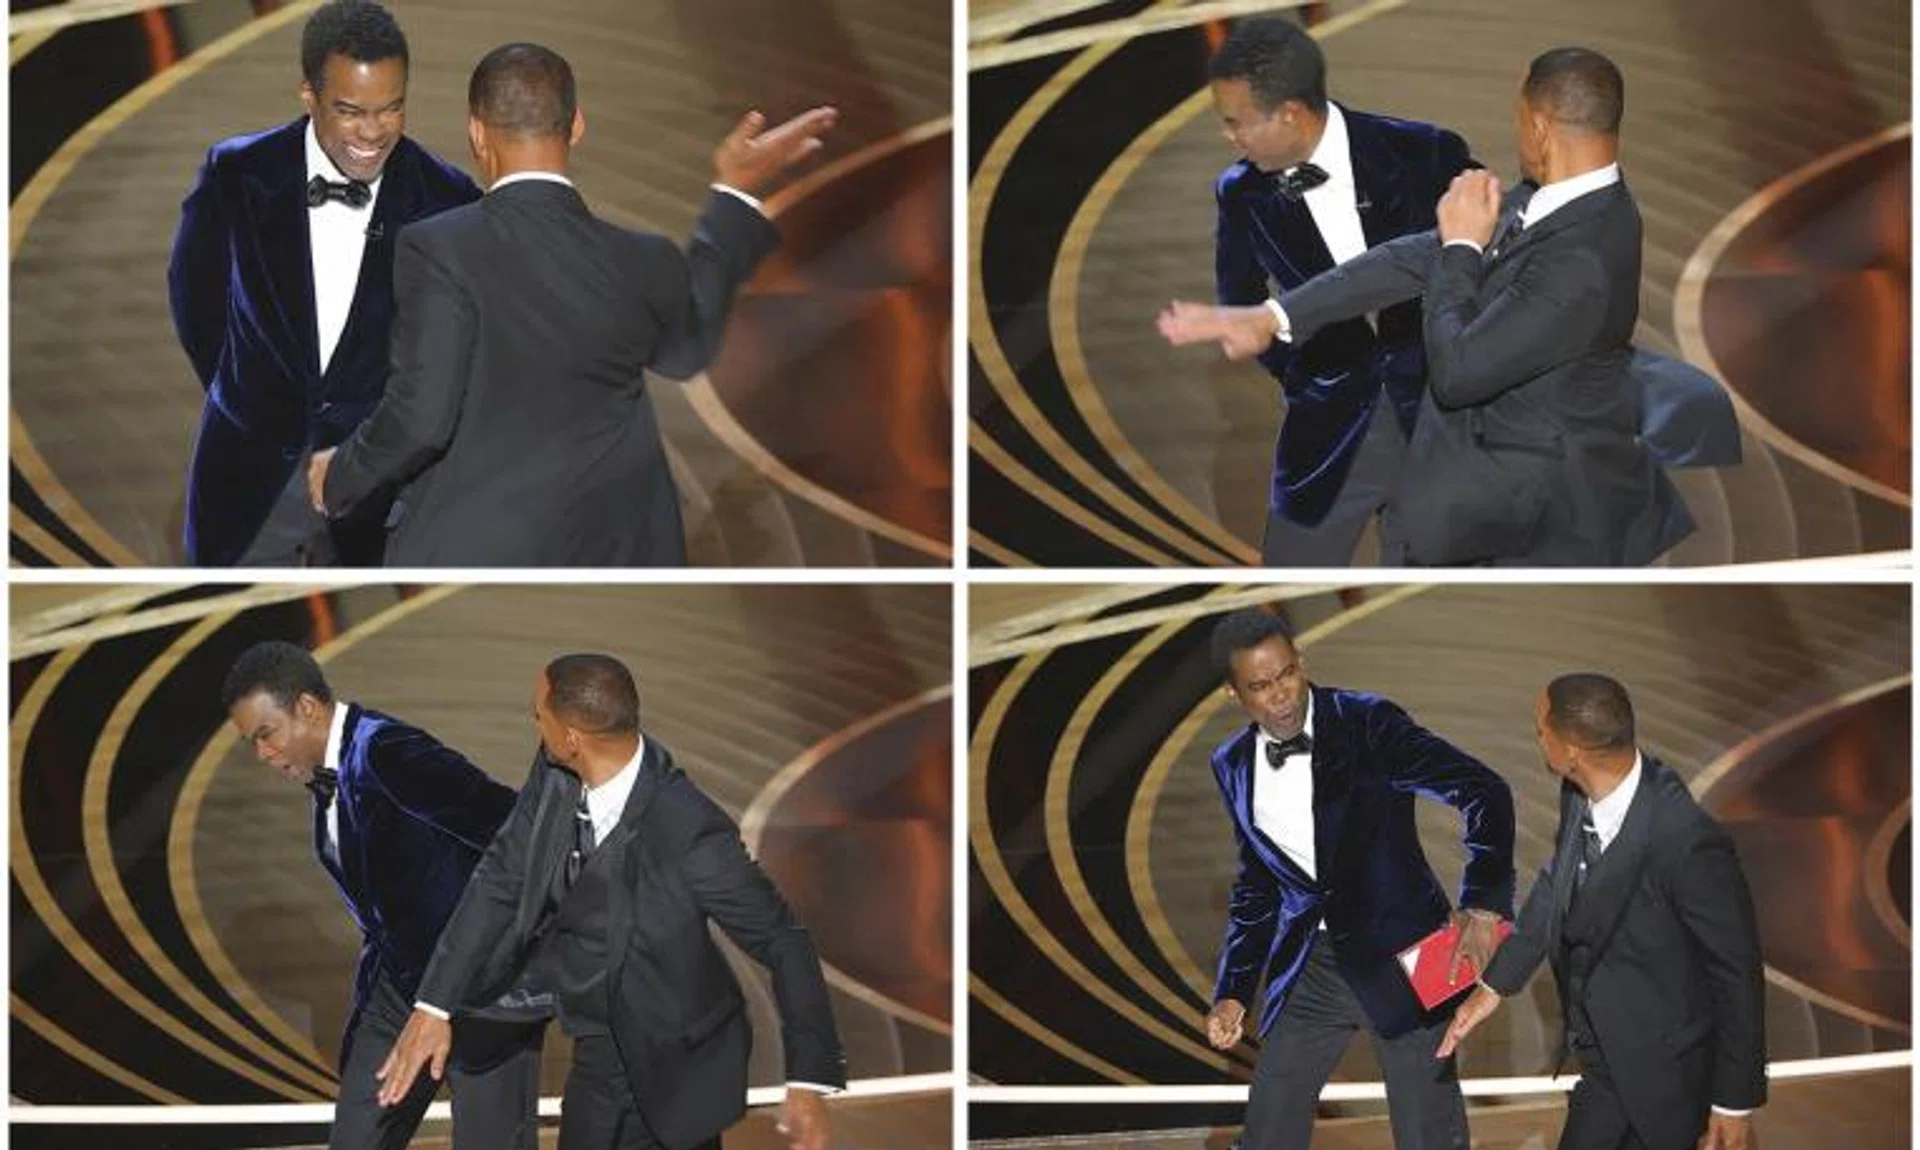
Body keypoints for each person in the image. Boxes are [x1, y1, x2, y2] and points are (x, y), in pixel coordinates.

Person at [1159, 48, 1692, 566]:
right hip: (1446, 470)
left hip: (1538, 516)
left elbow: (1458, 372)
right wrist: (1273, 317)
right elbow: (1413, 256)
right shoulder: (1550, 197)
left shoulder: (1583, 260)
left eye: (1517, 114)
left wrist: (1461, 247)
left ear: (1540, 128)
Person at [308, 43, 837, 565]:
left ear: (476, 133)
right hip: (624, 553)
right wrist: (734, 193)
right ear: (576, 125)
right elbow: (687, 349)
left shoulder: (438, 247)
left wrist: (339, 476)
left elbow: (422, 418)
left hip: (477, 549)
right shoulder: (643, 259)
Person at [375, 653, 845, 1150]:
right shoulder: (556, 770)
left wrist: (809, 1080)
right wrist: (434, 1004)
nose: (536, 721)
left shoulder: (691, 834)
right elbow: (503, 875)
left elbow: (783, 940)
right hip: (597, 1048)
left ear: (573, 738)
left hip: (676, 1061)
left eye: (539, 712)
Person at [169, 0, 480, 566]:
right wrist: (246, 395)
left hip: (378, 495)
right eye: (351, 111)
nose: (373, 131)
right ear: (309, 97)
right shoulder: (236, 173)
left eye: (391, 109)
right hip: (249, 481)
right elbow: (195, 296)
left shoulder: (448, 199)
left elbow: (457, 355)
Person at [1204, 608, 1515, 1149]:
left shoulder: (1367, 722)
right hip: (1312, 969)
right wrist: (1233, 990)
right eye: (1260, 686)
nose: (1280, 694)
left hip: (1407, 960)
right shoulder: (1232, 764)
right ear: (1234, 693)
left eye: (1286, 675)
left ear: (1301, 664)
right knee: (1270, 1121)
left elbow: (1482, 789)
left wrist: (1485, 905)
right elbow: (1257, 885)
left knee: (1429, 1136)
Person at [221, 641, 546, 1150]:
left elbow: (515, 831)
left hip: (480, 991)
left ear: (307, 708)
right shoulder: (326, 784)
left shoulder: (387, 752)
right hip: (395, 992)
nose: (262, 754)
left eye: (266, 734)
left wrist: (512, 949)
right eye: (253, 743)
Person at [1438, 674, 1767, 1150]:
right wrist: (1495, 985)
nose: (1537, 738)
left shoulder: (1687, 842)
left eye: (1540, 728)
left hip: (1669, 1082)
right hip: (1605, 1065)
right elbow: (1558, 885)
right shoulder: (1580, 792)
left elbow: (1737, 973)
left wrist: (1733, 1104)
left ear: (1571, 749)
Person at [1204, 17, 1476, 566]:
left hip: (1442, 425)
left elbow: (1489, 264)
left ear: (1289, 114)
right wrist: (1308, 371)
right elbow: (1241, 300)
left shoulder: (1427, 152)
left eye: (1237, 123)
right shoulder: (1240, 192)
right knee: (1287, 576)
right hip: (1328, 429)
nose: (1228, 137)